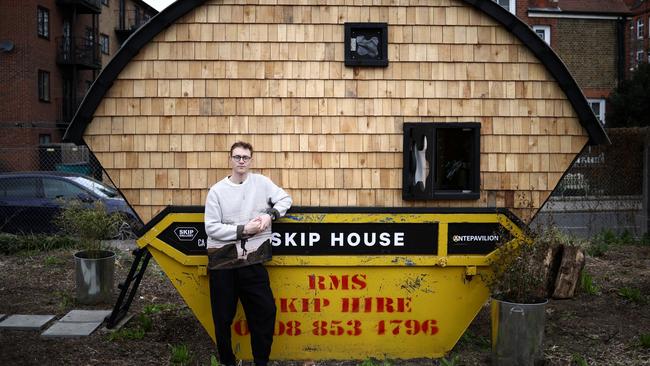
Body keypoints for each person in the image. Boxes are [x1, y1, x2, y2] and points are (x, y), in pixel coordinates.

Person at [204, 141, 292, 366]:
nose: (241, 161)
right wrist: (244, 230)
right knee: (223, 319)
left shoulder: (261, 183)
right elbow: (211, 228)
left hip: (252, 263)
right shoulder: (217, 191)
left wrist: (270, 215)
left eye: (245, 157)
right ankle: (227, 361)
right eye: (237, 157)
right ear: (230, 159)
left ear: (251, 160)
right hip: (223, 266)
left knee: (265, 312)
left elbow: (285, 199)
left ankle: (260, 362)